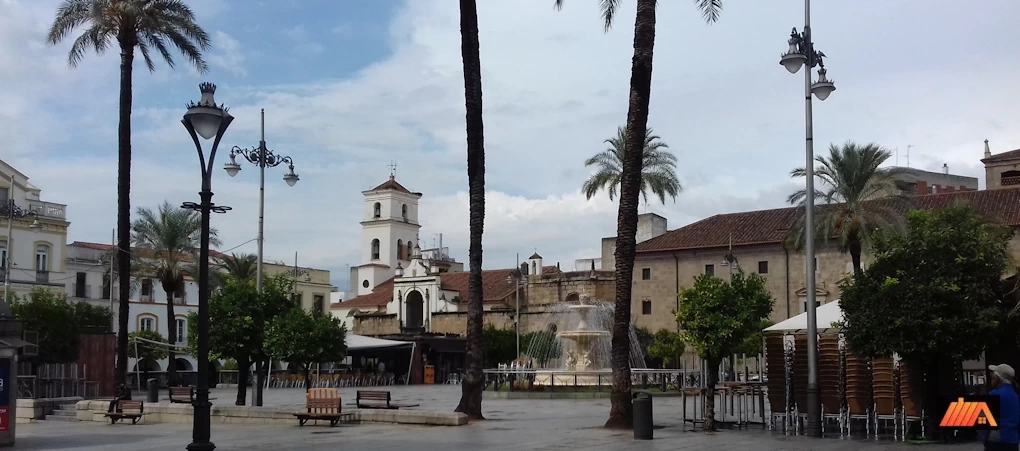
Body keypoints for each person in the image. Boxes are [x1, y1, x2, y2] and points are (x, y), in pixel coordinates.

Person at [986, 364, 1019, 451]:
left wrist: (985, 439)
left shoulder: (994, 394)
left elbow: (986, 421)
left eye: (993, 374)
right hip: (1013, 440)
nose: (991, 375)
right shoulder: (1015, 395)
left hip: (997, 440)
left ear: (999, 378)